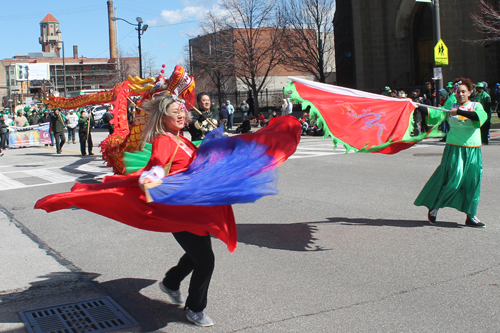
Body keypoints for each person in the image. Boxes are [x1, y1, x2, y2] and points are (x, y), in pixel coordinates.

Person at [36, 94, 238, 327]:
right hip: (177, 211)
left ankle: (171, 282)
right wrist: (153, 175)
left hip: (195, 208)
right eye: (175, 112)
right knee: (206, 260)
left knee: (198, 256)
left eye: (182, 110)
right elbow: (157, 164)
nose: (181, 114)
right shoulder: (165, 140)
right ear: (162, 117)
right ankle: (195, 309)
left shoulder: (182, 139)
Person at [414, 77, 487, 227]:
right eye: (457, 92)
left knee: (472, 184)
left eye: (463, 92)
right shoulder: (450, 105)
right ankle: (435, 207)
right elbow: (434, 114)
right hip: (454, 149)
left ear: (469, 92)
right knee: (453, 181)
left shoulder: (476, 105)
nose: (460, 94)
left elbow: (479, 118)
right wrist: (415, 105)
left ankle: (471, 216)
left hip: (473, 151)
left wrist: (459, 111)